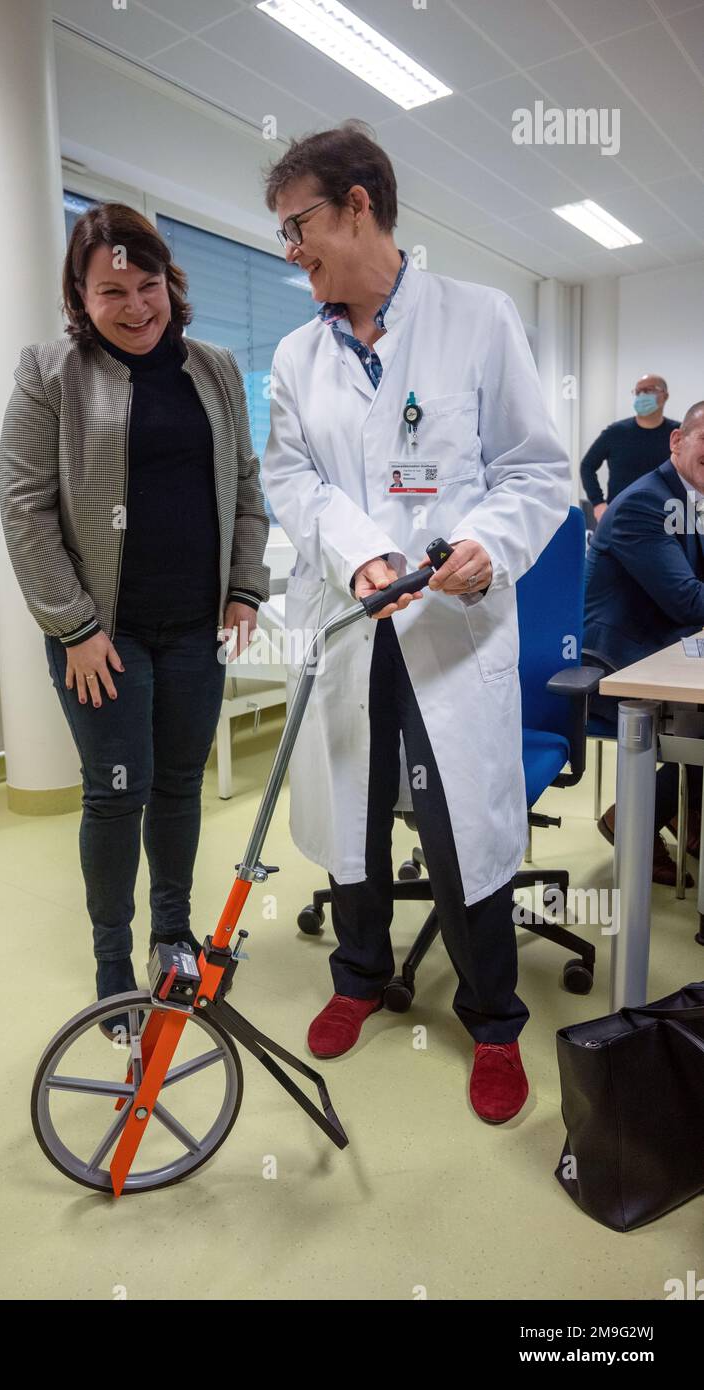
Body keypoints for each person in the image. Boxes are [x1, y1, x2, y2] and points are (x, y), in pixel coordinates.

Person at [261, 121, 569, 1125]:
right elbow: (290, 477)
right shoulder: (295, 356)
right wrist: (359, 553)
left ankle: (489, 1016)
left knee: (457, 822)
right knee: (353, 809)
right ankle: (358, 975)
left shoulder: (477, 320)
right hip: (353, 626)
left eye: (297, 223)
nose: (290, 248)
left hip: (449, 625)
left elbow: (534, 470)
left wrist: (486, 543)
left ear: (359, 205)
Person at [0, 204, 270, 1038]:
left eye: (148, 284)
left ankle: (172, 934)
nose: (136, 305)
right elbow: (23, 506)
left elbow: (247, 488)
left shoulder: (216, 369)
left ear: (169, 283)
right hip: (103, 639)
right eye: (111, 290)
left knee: (180, 787)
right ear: (81, 297)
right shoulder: (51, 373)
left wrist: (244, 587)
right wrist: (75, 628)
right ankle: (113, 961)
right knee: (118, 797)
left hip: (195, 628)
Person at [584, 401, 704, 884]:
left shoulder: (690, 500)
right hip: (617, 660)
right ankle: (634, 816)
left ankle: (682, 812)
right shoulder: (644, 503)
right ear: (678, 441)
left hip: (663, 647)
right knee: (700, 721)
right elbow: (689, 602)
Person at [581, 374, 680, 523]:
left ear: (665, 396)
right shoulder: (616, 432)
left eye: (649, 390)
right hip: (622, 515)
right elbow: (587, 466)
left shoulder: (678, 433)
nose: (642, 395)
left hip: (667, 517)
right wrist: (598, 504)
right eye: (638, 391)